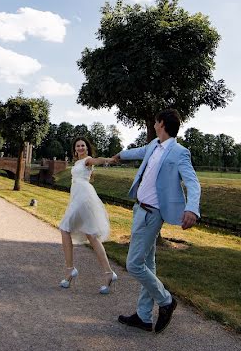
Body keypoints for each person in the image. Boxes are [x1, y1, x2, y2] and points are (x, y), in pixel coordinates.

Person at [109, 108, 200, 334]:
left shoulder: (180, 152)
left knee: (134, 264)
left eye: (156, 122)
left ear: (161, 124)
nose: (154, 124)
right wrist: (120, 155)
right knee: (148, 264)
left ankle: (167, 301)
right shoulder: (153, 146)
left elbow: (193, 182)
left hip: (152, 215)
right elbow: (137, 152)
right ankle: (143, 316)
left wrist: (192, 208)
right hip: (139, 209)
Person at [58, 136, 119, 294]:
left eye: (83, 145)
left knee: (65, 228)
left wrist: (110, 160)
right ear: (74, 149)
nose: (80, 148)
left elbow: (97, 161)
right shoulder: (78, 163)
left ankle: (70, 269)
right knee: (91, 235)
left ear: (87, 148)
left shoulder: (87, 160)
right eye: (77, 146)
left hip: (84, 197)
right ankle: (108, 273)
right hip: (78, 196)